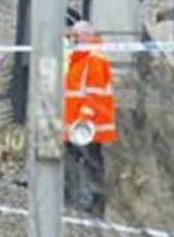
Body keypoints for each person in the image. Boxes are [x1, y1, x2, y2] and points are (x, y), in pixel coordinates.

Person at [63, 20, 117, 216]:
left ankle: (91, 205)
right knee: (82, 161)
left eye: (75, 36)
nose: (72, 40)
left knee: (89, 163)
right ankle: (80, 202)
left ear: (86, 36)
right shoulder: (80, 59)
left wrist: (83, 121)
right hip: (79, 125)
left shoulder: (93, 59)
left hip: (87, 126)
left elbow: (93, 94)